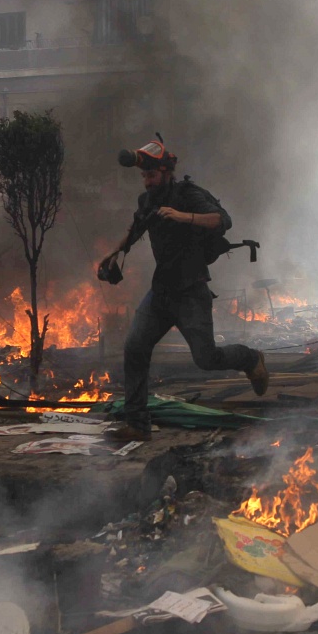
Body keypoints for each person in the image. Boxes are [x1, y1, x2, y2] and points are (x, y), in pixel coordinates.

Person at [96, 138, 268, 442]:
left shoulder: (188, 194)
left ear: (165, 172)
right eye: (144, 177)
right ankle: (137, 424)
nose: (147, 182)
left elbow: (222, 220)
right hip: (161, 292)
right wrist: (112, 254)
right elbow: (134, 231)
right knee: (135, 348)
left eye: (151, 175)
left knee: (206, 358)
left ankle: (251, 359)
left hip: (191, 291)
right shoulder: (146, 201)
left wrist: (182, 216)